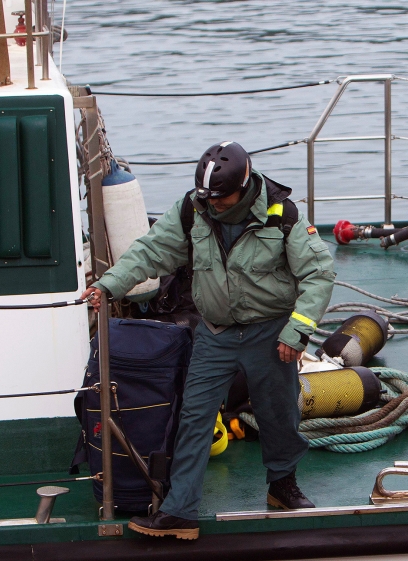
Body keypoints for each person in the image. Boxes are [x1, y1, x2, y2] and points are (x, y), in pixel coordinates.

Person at [82, 141, 335, 539]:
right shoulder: (193, 209)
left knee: (278, 413)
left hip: (271, 333)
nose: (215, 204)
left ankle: (282, 485)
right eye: (208, 197)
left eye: (222, 197)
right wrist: (109, 285)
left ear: (245, 182)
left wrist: (297, 331)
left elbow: (318, 273)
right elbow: (151, 250)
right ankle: (180, 510)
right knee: (194, 417)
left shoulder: (281, 214)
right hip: (215, 333)